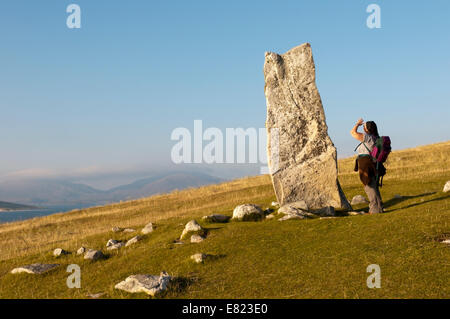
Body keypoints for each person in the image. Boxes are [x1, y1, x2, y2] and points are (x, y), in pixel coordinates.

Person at [350, 118, 384, 214]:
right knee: (373, 185)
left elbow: (353, 133)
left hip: (366, 164)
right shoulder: (375, 137)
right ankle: (379, 208)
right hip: (371, 164)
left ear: (367, 129)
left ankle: (374, 210)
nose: (363, 128)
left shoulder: (368, 137)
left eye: (364, 127)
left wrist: (357, 124)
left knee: (369, 186)